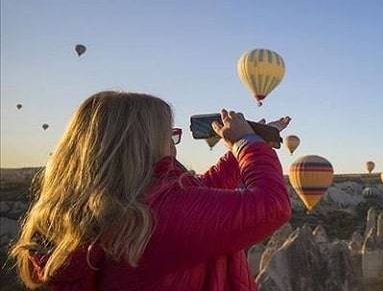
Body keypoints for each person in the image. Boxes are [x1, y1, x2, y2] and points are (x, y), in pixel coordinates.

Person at [11, 91, 292, 290]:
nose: (173, 144)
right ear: (140, 144)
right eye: (169, 134)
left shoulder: (112, 207)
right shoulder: (159, 214)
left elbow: (200, 192)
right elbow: (272, 204)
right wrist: (247, 144)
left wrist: (250, 145)